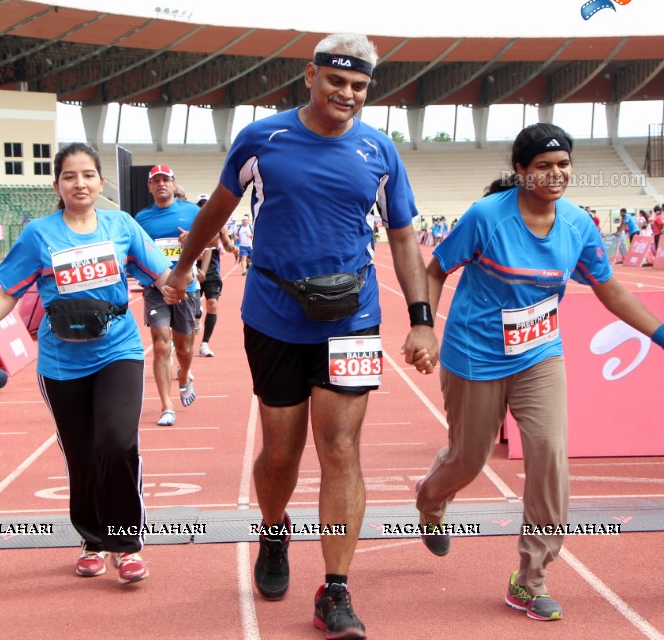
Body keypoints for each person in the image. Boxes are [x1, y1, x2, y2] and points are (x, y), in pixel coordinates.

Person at [164, 32, 438, 640]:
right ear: (310, 75)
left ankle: (335, 589)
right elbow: (216, 211)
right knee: (282, 452)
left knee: (341, 449)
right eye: (336, 81)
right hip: (273, 316)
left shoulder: (379, 151)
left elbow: (401, 237)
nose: (347, 94)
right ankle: (273, 527)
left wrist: (421, 318)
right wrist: (184, 267)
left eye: (359, 86)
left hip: (353, 318)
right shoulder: (263, 139)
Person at [412, 122, 664, 623]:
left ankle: (531, 579)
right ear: (520, 172)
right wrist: (424, 330)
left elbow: (611, 290)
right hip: (475, 355)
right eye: (543, 166)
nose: (555, 174)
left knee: (549, 454)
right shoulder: (487, 218)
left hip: (539, 356)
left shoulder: (578, 226)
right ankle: (431, 498)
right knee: (468, 458)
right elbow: (436, 269)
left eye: (563, 165)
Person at [0, 143, 176, 585]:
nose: (80, 183)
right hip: (61, 362)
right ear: (57, 185)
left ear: (100, 181)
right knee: (82, 455)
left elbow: (162, 274)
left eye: (88, 175)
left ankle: (126, 545)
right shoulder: (39, 234)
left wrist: (178, 281)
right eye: (70, 176)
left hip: (117, 350)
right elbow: (8, 293)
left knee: (116, 442)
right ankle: (92, 538)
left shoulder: (121, 225)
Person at [135, 164, 202, 426]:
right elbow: (136, 253)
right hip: (156, 289)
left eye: (166, 179)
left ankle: (184, 374)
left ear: (174, 183)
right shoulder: (141, 219)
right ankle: (167, 405)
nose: (161, 184)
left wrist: (193, 238)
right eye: (156, 181)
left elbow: (214, 242)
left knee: (184, 347)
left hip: (187, 288)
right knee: (161, 343)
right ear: (150, 187)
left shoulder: (191, 211)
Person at [195, 193, 236, 357]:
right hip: (193, 267)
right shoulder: (192, 223)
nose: (204, 206)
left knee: (212, 304)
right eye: (201, 204)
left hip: (212, 269)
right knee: (194, 308)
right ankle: (196, 317)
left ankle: (205, 343)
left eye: (207, 203)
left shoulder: (220, 224)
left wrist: (232, 247)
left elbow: (226, 245)